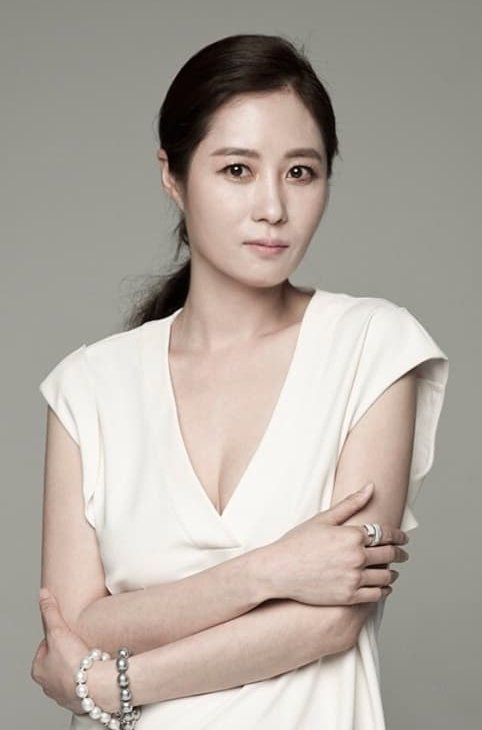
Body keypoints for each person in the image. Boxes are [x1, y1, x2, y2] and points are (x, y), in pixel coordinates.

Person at [31, 33, 449, 729]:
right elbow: (75, 624)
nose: (273, 208)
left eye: (301, 172)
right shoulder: (88, 386)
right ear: (172, 175)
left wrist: (108, 684)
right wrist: (271, 570)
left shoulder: (373, 347)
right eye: (236, 170)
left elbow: (329, 622)